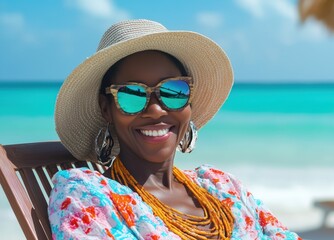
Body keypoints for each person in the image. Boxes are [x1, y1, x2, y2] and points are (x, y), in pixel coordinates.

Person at [48, 19, 301, 240]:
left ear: (189, 102)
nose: (156, 110)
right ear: (107, 109)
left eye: (173, 91)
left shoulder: (222, 186)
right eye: (132, 95)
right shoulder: (86, 195)